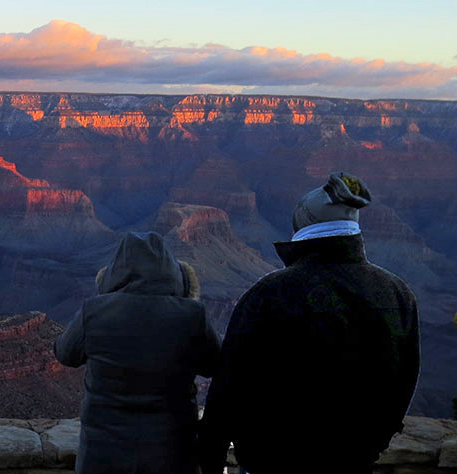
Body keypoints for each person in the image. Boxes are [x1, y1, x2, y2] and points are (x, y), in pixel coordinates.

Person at [199, 172, 421, 474]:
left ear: (302, 224)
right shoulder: (397, 293)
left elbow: (230, 386)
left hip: (273, 461)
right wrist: (374, 445)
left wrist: (210, 459)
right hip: (355, 461)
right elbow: (404, 381)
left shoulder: (271, 292)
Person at [54, 231, 220, 474]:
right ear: (174, 273)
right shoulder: (193, 316)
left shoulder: (94, 312)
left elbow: (64, 353)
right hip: (172, 457)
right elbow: (214, 364)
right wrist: (190, 301)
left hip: (103, 458)